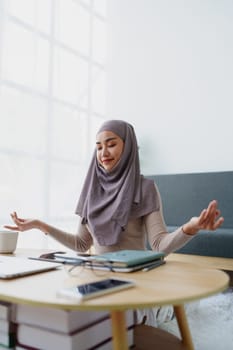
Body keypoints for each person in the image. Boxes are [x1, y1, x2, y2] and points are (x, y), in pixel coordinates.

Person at [5, 119, 224, 325]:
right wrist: (40, 225)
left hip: (137, 280)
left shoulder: (145, 187)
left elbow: (159, 246)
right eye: (99, 147)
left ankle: (165, 309)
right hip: (99, 280)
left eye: (111, 144)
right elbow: (82, 244)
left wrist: (190, 227)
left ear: (127, 147)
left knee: (137, 326)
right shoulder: (90, 190)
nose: (103, 153)